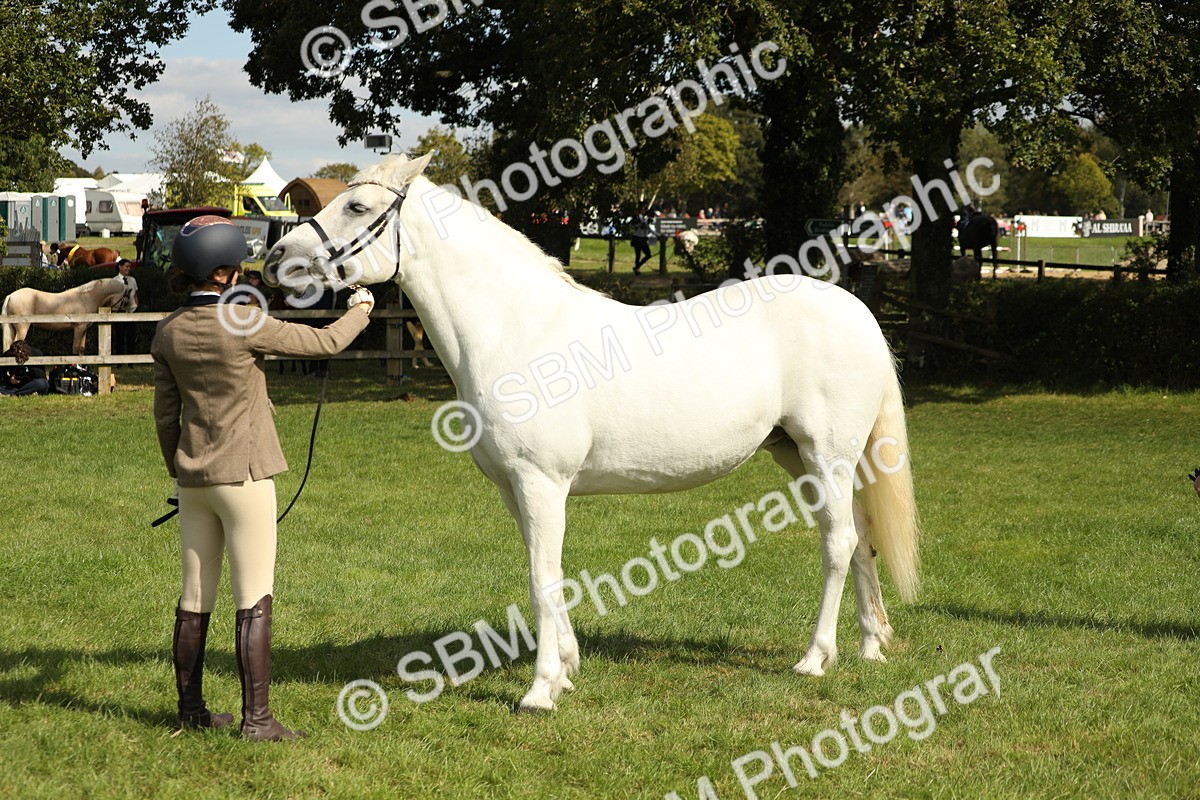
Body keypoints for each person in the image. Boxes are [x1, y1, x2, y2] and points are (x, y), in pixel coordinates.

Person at [151, 215, 374, 740]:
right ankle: (258, 720)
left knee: (193, 598)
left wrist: (181, 475)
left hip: (193, 482)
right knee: (253, 597)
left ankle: (191, 712)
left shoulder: (168, 331)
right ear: (226, 271)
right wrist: (361, 310)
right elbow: (323, 344)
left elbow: (165, 419)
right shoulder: (244, 320)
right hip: (246, 478)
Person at [112, 259, 139, 355]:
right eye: (126, 266)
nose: (128, 268)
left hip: (131, 311)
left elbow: (135, 294)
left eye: (129, 267)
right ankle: (119, 360)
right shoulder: (114, 281)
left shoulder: (132, 280)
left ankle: (131, 360)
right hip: (119, 312)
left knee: (131, 336)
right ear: (120, 266)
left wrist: (136, 306)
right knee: (120, 336)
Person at [630, 210, 653, 274]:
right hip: (638, 238)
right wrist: (640, 224)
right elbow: (633, 226)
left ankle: (637, 267)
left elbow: (649, 229)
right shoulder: (637, 218)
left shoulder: (645, 219)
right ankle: (637, 269)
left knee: (647, 255)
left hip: (641, 238)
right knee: (639, 255)